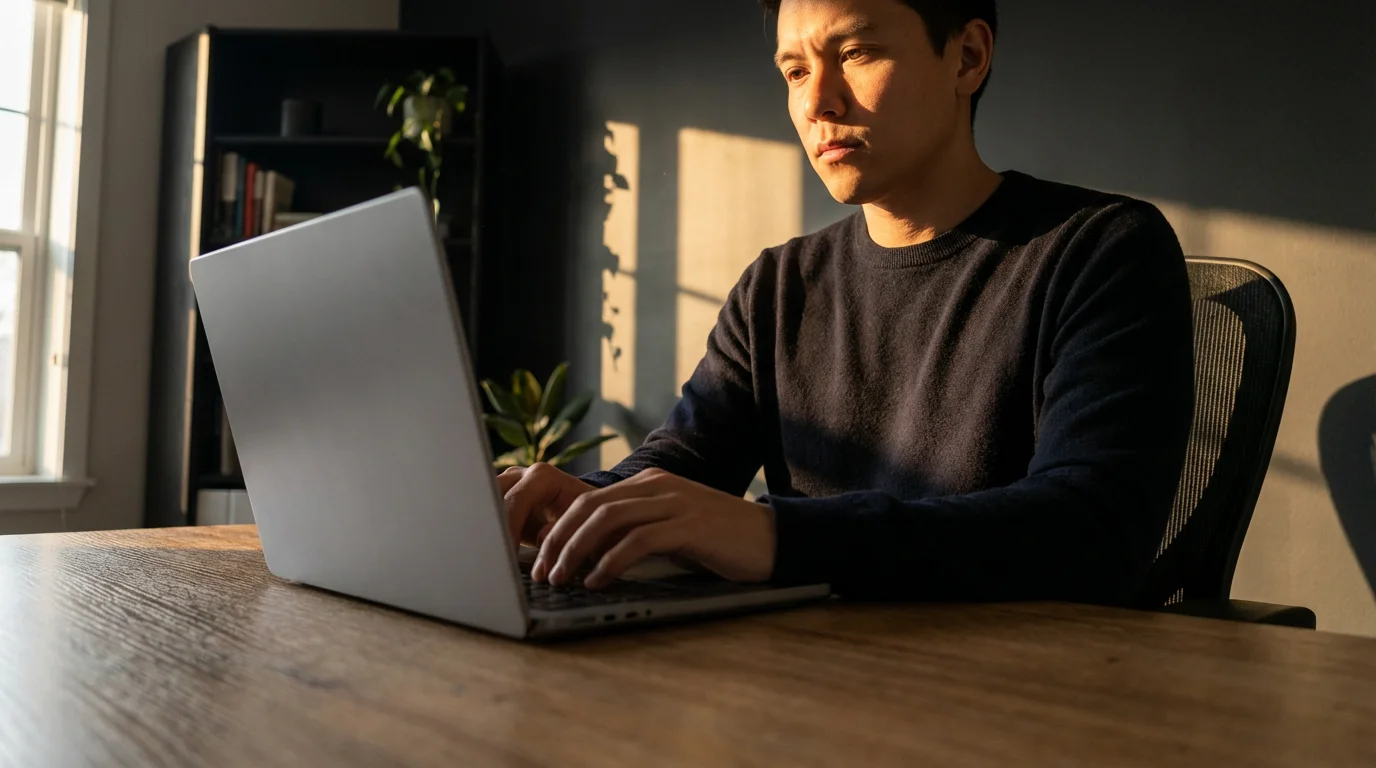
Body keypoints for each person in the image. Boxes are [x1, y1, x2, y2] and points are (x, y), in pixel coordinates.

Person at [499, 0, 1194, 606]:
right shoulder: (777, 288)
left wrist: (773, 535)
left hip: (1020, 705)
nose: (816, 103)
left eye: (856, 53)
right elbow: (679, 466)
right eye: (795, 71)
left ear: (969, 57)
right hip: (817, 688)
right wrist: (577, 505)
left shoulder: (1101, 252)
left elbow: (1091, 533)